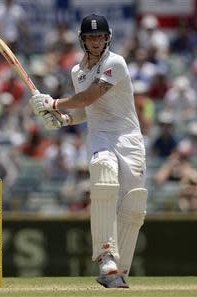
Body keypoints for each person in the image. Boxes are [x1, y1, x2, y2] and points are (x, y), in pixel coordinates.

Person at [29, 14, 147, 288]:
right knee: (104, 175)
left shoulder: (115, 63)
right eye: (91, 37)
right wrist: (66, 120)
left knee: (134, 205)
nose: (96, 42)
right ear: (83, 40)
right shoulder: (77, 72)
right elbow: (87, 109)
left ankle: (119, 275)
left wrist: (55, 103)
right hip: (100, 136)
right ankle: (106, 257)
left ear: (108, 38)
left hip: (128, 137)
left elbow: (89, 96)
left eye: (100, 37)